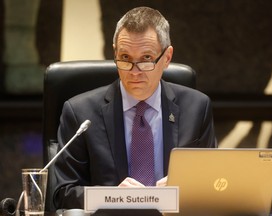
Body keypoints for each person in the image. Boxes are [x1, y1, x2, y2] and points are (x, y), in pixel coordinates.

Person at [53, 6, 217, 209]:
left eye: (146, 59)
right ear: (115, 53)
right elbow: (63, 193)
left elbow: (211, 185)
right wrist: (113, 198)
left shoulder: (197, 108)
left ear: (166, 58)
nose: (134, 71)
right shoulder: (80, 113)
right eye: (125, 58)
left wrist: (185, 188)